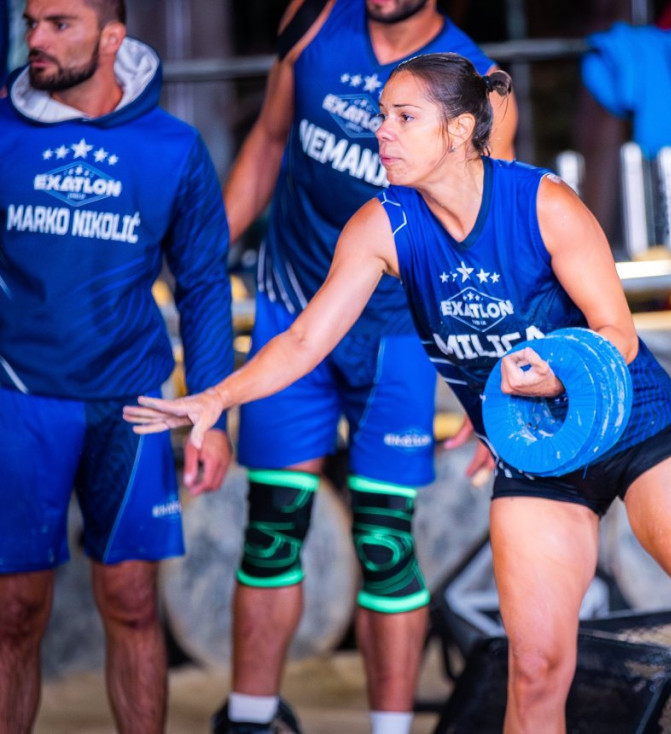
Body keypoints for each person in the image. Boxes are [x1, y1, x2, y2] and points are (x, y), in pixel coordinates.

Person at [127, 52, 671, 734]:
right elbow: (301, 342)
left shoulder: (543, 204)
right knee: (536, 669)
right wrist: (216, 397)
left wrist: (555, 373)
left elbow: (616, 333)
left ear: (459, 130)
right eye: (381, 116)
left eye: (403, 117)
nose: (380, 131)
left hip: (636, 432)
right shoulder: (381, 226)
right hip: (535, 455)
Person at [216, 2, 517, 732]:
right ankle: (250, 719)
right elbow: (269, 139)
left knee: (384, 537)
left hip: (398, 329)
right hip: (295, 302)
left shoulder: (475, 81)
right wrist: (201, 265)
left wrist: (495, 382)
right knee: (272, 523)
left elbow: (487, 234)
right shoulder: (313, 20)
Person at [0, 0, 234, 731]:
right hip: (19, 397)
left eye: (58, 24)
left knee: (133, 602)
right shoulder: (2, 132)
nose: (36, 39)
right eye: (31, 23)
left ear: (111, 38)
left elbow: (203, 285)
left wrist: (212, 413)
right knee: (13, 610)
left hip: (131, 403)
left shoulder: (173, 147)